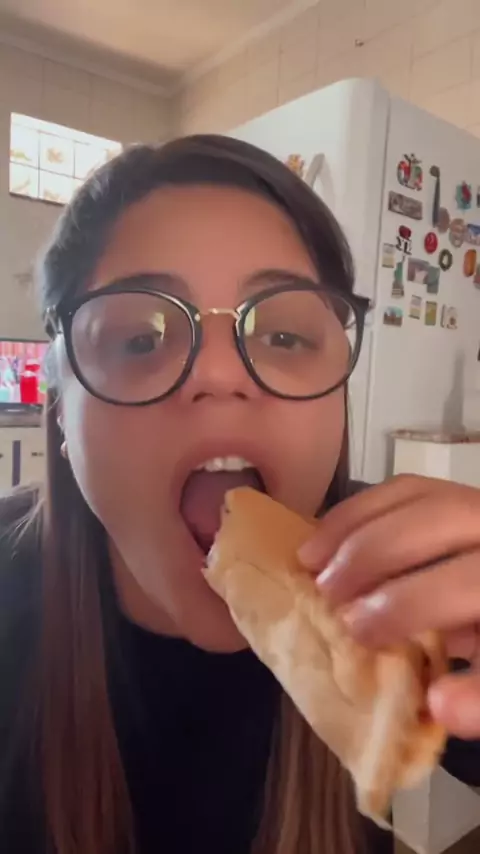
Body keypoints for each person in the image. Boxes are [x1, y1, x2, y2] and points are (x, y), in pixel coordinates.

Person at [1, 135, 480, 854]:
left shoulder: (415, 589)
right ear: (62, 411)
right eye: (140, 339)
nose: (220, 374)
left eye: (284, 336)